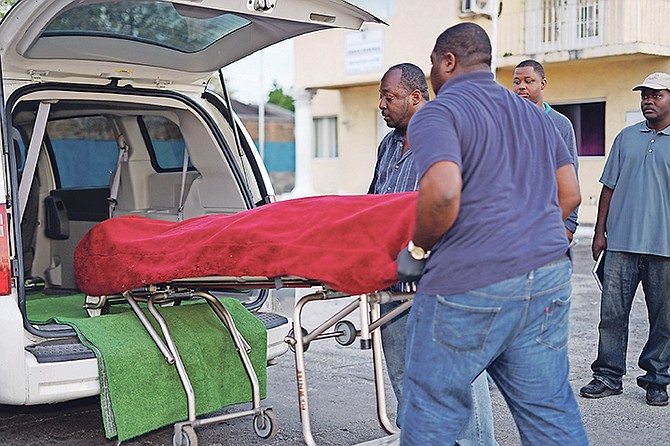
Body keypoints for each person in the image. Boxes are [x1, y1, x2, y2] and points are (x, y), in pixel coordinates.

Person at [395, 22, 587, 445]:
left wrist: (418, 249)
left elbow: (443, 192)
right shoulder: (533, 115)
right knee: (550, 410)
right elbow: (570, 194)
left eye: (432, 65)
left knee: (433, 407)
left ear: (448, 62)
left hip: (469, 280)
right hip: (548, 275)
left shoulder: (438, 113)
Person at [369, 63, 498, 445]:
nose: (381, 105)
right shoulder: (388, 145)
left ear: (416, 97)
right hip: (393, 279)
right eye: (381, 97)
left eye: (388, 97)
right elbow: (376, 205)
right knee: (404, 369)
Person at [579, 72, 670, 407]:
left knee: (664, 320)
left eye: (656, 95)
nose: (647, 100)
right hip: (620, 245)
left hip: (665, 248)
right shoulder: (626, 138)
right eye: (644, 95)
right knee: (612, 315)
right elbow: (609, 188)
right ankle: (607, 376)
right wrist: (600, 231)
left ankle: (656, 380)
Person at [513, 59, 579, 241]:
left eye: (528, 81)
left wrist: (568, 225)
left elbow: (572, 175)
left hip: (548, 224)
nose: (521, 87)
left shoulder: (561, 124)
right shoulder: (505, 121)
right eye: (517, 82)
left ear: (542, 84)